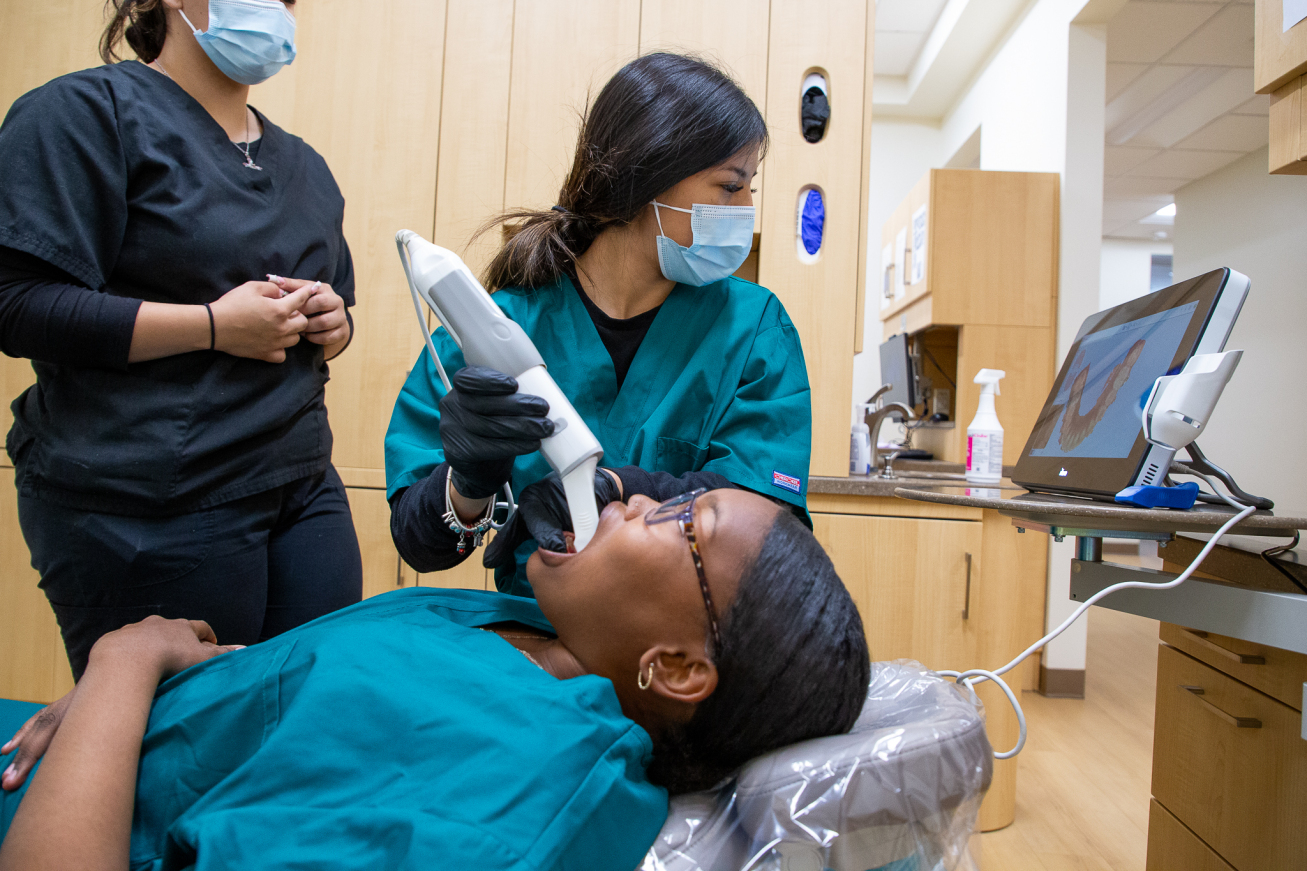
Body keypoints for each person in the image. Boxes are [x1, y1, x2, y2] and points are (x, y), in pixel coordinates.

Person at [0, 488, 870, 870]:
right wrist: (137, 692)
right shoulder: (527, 632)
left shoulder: (509, 800)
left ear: (676, 668)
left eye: (684, 519)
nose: (634, 499)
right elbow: (309, 703)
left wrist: (123, 660)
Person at [0, 0, 363, 680]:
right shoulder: (81, 115)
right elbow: (17, 305)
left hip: (301, 486)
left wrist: (332, 323)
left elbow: (332, 314)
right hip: (147, 501)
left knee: (313, 724)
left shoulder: (304, 167)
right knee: (186, 750)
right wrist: (213, 327)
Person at [386, 52, 813, 596]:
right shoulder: (496, 328)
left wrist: (615, 488)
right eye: (731, 186)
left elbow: (768, 520)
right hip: (533, 634)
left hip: (680, 643)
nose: (748, 207)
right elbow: (416, 541)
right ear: (647, 175)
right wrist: (467, 483)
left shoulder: (754, 330)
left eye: (751, 186)